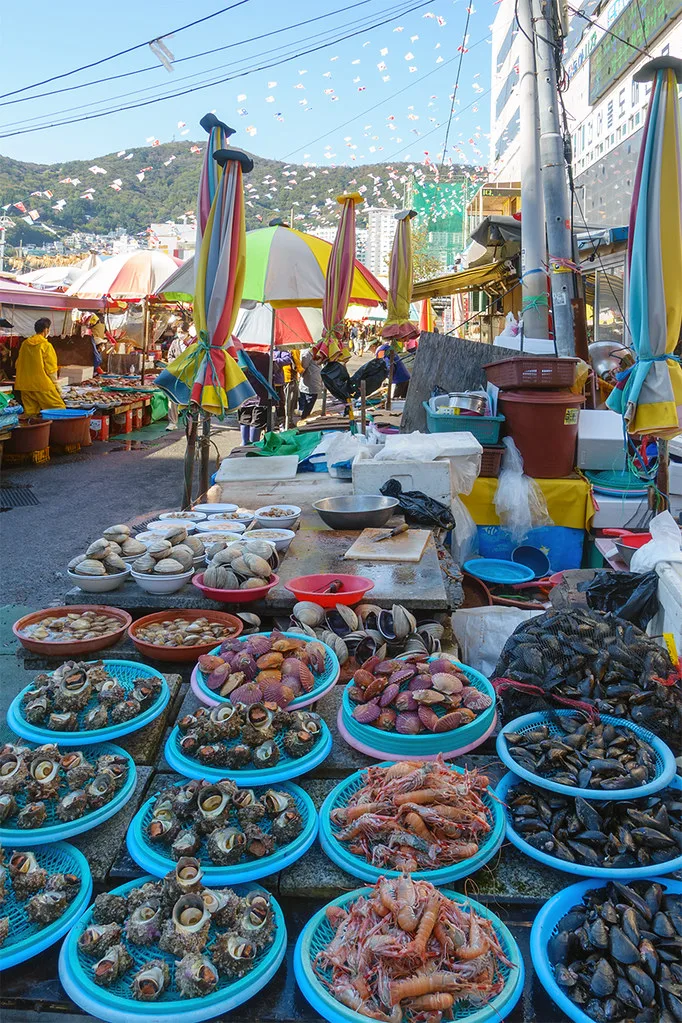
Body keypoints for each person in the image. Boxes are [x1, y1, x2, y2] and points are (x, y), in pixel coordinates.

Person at [14, 318, 66, 414]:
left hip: (25, 385)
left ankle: (34, 429)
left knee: (31, 414)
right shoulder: (46, 345)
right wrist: (56, 385)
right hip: (42, 385)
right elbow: (51, 369)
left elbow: (17, 364)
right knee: (59, 410)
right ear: (46, 330)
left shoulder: (24, 344)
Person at [238, 349, 275, 445]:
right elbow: (273, 372)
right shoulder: (265, 358)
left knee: (244, 420)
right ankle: (254, 445)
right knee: (257, 421)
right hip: (260, 395)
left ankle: (244, 443)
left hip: (244, 395)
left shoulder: (239, 357)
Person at [165, 329, 192, 431]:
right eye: (179, 332)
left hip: (189, 375)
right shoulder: (175, 342)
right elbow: (170, 356)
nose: (180, 334)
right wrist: (177, 364)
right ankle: (172, 422)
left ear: (187, 332)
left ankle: (191, 423)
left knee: (189, 399)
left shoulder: (192, 343)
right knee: (172, 398)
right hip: (176, 373)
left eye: (182, 332)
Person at [298, 348, 323, 418]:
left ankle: (304, 416)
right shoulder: (307, 353)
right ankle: (304, 417)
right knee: (308, 401)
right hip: (309, 381)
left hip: (312, 380)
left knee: (309, 400)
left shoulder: (311, 352)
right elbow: (304, 367)